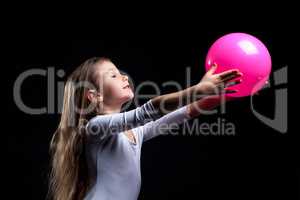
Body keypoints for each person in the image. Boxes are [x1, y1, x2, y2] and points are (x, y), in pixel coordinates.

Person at [48, 57, 242, 200]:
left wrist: (238, 91)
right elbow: (149, 110)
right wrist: (198, 90)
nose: (123, 77)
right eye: (113, 75)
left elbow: (188, 111)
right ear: (95, 95)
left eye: (120, 72)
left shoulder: (136, 132)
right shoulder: (94, 128)